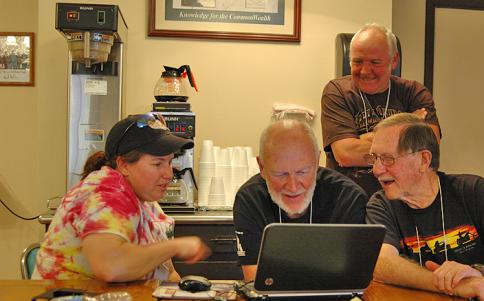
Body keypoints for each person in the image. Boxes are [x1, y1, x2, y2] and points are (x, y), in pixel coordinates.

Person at [366, 113, 484, 301]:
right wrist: (454, 284)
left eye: (387, 159)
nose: (377, 170)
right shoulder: (381, 204)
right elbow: (381, 264)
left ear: (423, 160)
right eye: (374, 158)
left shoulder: (473, 191)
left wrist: (478, 274)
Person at [33, 113, 210, 282]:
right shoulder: (105, 192)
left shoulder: (147, 201)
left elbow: (168, 272)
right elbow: (111, 267)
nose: (168, 174)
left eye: (170, 162)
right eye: (157, 163)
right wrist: (175, 247)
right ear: (124, 165)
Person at [233, 119, 367, 281]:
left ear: (317, 161)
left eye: (303, 172)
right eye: (280, 174)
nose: (293, 186)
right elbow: (256, 280)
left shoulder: (348, 197)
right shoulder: (250, 199)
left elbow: (353, 277)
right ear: (261, 166)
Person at [321, 23, 440, 199]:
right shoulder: (337, 91)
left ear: (394, 60)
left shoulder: (414, 93)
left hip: (404, 201)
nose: (365, 71)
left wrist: (362, 139)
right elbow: (345, 153)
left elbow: (428, 148)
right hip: (349, 201)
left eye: (375, 62)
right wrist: (407, 134)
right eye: (358, 61)